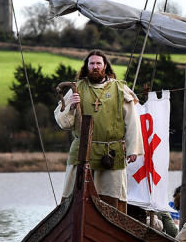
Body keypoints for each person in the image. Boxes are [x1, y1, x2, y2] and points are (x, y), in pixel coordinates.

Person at [54, 50, 143, 213]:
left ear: (105, 66)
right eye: (92, 63)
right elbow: (63, 122)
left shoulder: (119, 88)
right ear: (87, 67)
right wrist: (72, 107)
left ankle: (111, 226)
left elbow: (132, 120)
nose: (95, 67)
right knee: (75, 194)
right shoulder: (76, 88)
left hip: (111, 152)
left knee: (111, 197)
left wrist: (133, 150)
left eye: (98, 64)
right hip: (82, 150)